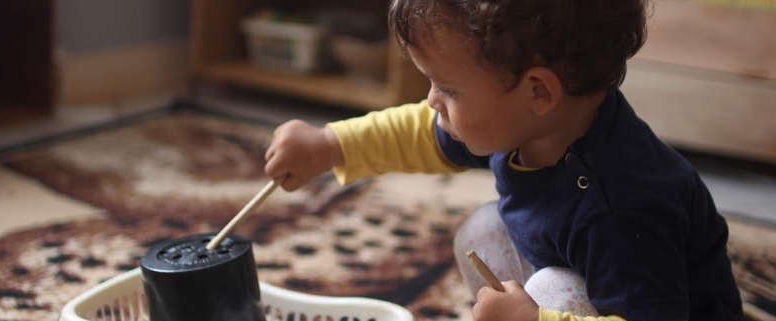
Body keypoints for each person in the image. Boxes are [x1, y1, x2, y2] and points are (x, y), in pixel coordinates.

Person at [263, 0, 743, 320]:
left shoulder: (620, 209)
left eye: (447, 89)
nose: (432, 101)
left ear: (538, 91)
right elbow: (421, 133)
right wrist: (328, 145)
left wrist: (535, 318)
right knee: (484, 229)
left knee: (553, 288)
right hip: (585, 272)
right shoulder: (534, 123)